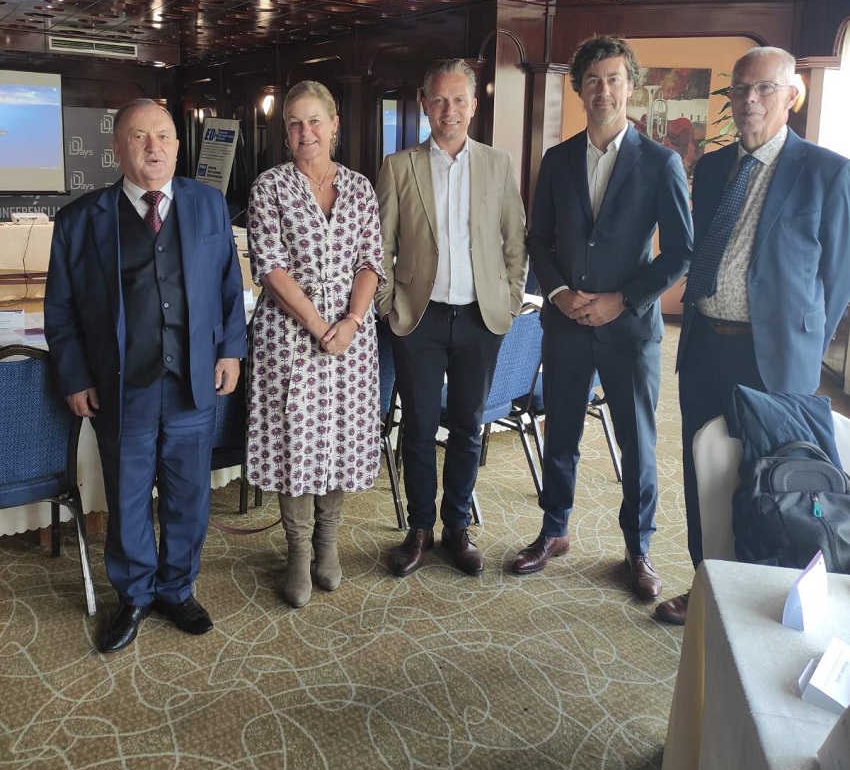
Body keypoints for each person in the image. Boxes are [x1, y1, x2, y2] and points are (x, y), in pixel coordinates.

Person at [656, 45, 850, 625]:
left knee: (770, 476)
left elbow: (837, 280)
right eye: (740, 88)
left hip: (775, 358)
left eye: (765, 88)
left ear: (791, 96)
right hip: (703, 346)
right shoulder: (714, 167)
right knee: (703, 469)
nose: (750, 100)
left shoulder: (827, 171)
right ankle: (706, 582)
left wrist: (803, 349)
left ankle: (765, 591)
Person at [44, 98, 246, 653]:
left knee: (188, 496)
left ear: (178, 146)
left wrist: (230, 351)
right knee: (128, 496)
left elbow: (230, 287)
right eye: (139, 136)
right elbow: (60, 309)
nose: (153, 147)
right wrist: (75, 376)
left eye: (163, 136)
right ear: (117, 148)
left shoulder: (210, 206)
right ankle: (133, 595)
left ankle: (177, 589)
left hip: (191, 383)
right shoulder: (80, 220)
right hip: (120, 386)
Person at [512, 35, 693, 600]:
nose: (604, 90)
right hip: (566, 325)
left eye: (614, 79)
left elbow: (680, 252)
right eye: (592, 80)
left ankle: (638, 548)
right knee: (560, 432)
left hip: (629, 329)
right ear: (580, 89)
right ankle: (554, 530)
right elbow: (538, 240)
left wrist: (622, 299)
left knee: (637, 442)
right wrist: (559, 293)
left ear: (630, 86)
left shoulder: (660, 162)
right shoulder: (557, 160)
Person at [376, 58, 527, 577]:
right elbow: (379, 246)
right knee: (418, 428)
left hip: (480, 319)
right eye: (439, 99)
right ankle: (419, 528)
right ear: (424, 105)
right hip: (417, 320)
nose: (449, 110)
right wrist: (386, 303)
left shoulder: (498, 164)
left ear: (474, 105)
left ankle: (456, 527)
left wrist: (510, 300)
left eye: (459, 99)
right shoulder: (399, 167)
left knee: (467, 427)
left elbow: (515, 242)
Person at [246, 81, 383, 608]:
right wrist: (317, 324)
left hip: (351, 341)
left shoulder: (360, 188)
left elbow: (371, 262)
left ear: (334, 125)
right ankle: (299, 552)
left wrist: (350, 321)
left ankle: (328, 542)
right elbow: (270, 268)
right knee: (294, 441)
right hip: (288, 339)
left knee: (340, 436)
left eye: (315, 121)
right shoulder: (269, 187)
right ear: (286, 133)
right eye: (295, 124)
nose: (306, 133)